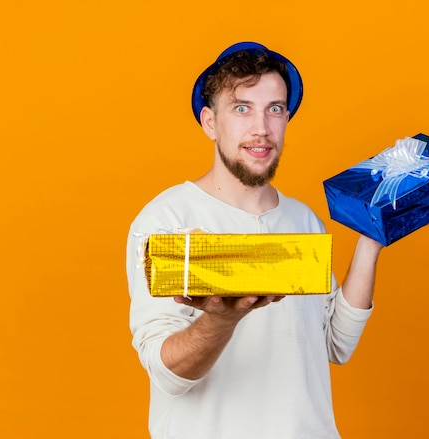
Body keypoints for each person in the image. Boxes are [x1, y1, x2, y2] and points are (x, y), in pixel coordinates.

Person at [126, 41, 383, 439]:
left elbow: (334, 344)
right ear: (210, 122)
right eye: (242, 108)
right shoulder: (166, 221)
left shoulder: (303, 220)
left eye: (275, 109)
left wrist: (372, 235)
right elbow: (168, 376)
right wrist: (221, 320)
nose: (261, 128)